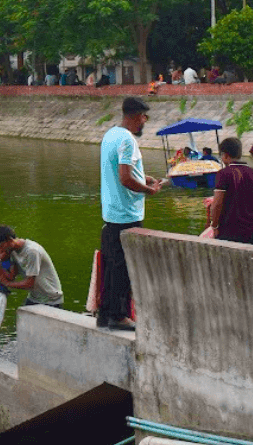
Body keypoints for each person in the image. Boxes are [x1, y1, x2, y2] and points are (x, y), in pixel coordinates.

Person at [96, 97, 162, 331]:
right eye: (145, 117)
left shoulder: (111, 135)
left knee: (112, 265)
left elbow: (122, 173)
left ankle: (105, 314)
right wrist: (148, 190)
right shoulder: (127, 139)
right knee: (123, 267)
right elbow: (124, 178)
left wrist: (145, 178)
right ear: (137, 116)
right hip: (127, 214)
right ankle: (119, 315)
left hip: (112, 213)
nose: (145, 122)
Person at [209, 137, 253, 244]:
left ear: (225, 155)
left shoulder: (223, 174)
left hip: (228, 232)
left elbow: (217, 204)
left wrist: (214, 225)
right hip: (252, 231)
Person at [0, 225, 63, 311]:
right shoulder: (12, 251)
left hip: (50, 299)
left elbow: (29, 283)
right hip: (34, 297)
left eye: (1, 246)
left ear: (10, 240)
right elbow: (11, 277)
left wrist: (6, 284)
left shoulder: (32, 252)